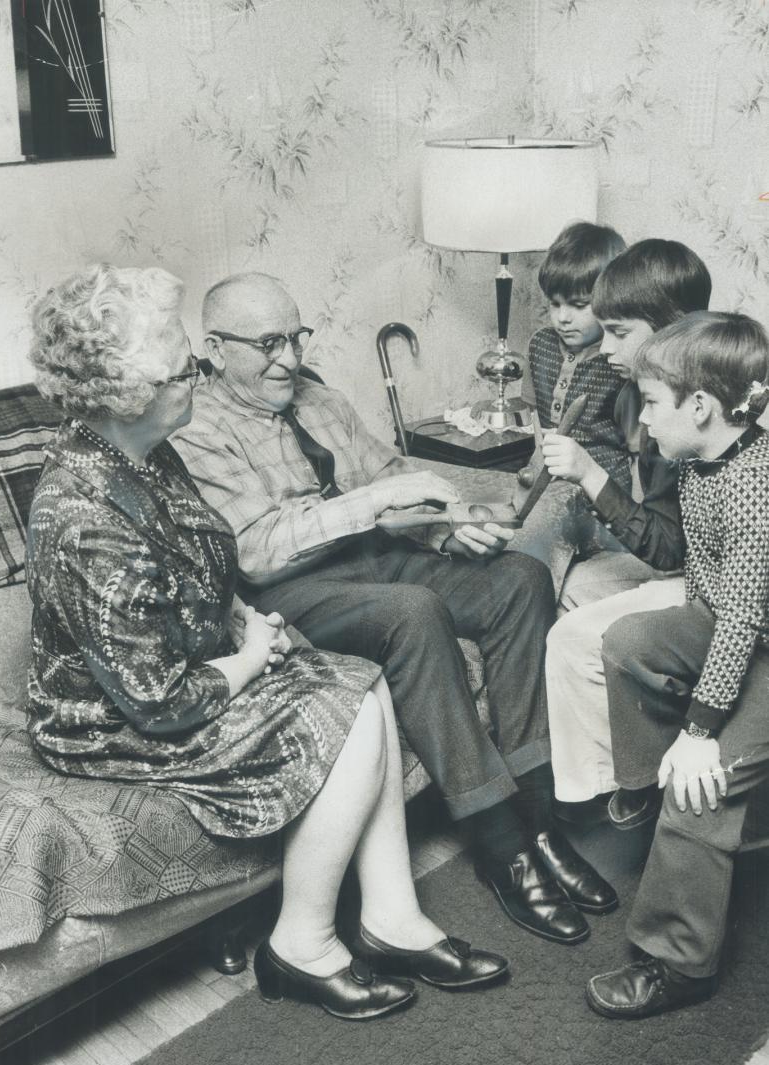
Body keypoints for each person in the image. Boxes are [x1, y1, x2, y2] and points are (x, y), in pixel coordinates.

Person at [25, 263, 509, 1022]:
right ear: (130, 392)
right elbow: (154, 700)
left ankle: (392, 916)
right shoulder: (83, 512)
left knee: (362, 680)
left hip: (194, 660)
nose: (196, 375)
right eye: (183, 364)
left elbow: (204, 569)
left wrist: (247, 625)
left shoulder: (151, 454)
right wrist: (250, 659)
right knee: (341, 714)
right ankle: (301, 946)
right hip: (109, 723)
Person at [172, 271, 616, 946]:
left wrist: (447, 526)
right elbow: (257, 552)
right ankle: (503, 846)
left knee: (520, 579)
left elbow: (389, 482)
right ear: (212, 347)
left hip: (381, 558)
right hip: (290, 593)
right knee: (413, 612)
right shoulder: (196, 426)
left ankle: (541, 817)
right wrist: (374, 506)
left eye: (296, 336)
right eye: (267, 343)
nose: (289, 358)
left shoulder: (320, 400)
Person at [585, 310, 769, 1018]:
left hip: (757, 639)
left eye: (652, 403)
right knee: (629, 642)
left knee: (704, 788)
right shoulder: (701, 457)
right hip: (731, 626)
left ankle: (680, 962)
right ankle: (646, 790)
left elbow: (746, 620)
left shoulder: (757, 487)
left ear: (700, 406)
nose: (643, 420)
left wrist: (700, 733)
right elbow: (711, 587)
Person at [540, 240, 711, 824]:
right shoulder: (636, 395)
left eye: (618, 331)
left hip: (719, 580)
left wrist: (589, 474)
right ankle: (633, 740)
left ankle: (630, 782)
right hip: (684, 560)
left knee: (569, 640)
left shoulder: (689, 408)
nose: (604, 346)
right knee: (579, 583)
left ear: (668, 330)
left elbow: (669, 549)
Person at [528, 221, 630, 490]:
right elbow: (533, 418)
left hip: (606, 489)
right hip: (549, 481)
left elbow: (637, 452)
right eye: (555, 303)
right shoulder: (540, 344)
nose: (563, 318)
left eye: (579, 305)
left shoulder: (621, 361)